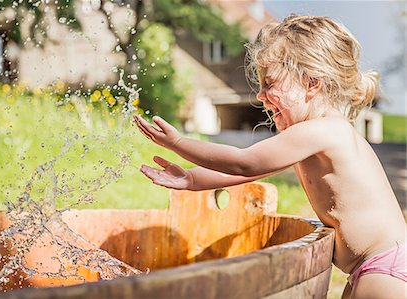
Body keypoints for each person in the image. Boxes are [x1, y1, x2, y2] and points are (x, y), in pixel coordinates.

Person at [133, 15, 406, 299]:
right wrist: (191, 178)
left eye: (270, 83)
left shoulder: (325, 131)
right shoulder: (314, 136)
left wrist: (179, 143)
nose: (261, 96)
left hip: (384, 266)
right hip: (373, 265)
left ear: (311, 82)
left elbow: (244, 161)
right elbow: (246, 173)